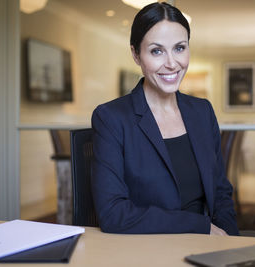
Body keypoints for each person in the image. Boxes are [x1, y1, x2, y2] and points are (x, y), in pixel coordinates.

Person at [91, 2, 239, 236]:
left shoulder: (202, 111)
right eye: (157, 51)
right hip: (150, 250)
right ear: (136, 54)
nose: (172, 63)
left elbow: (221, 193)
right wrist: (201, 228)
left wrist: (230, 243)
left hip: (209, 246)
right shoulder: (111, 118)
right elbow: (112, 214)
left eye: (180, 48)